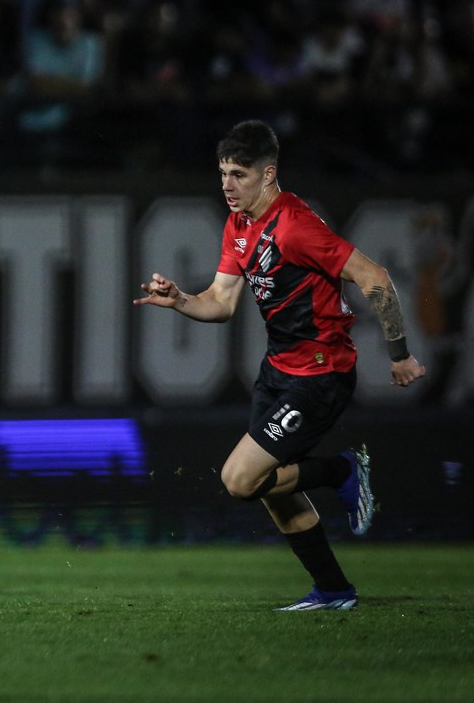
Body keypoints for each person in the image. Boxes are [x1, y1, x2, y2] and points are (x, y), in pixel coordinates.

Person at [134, 120, 426, 610]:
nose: (228, 184)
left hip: (320, 374)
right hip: (278, 373)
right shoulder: (240, 224)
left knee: (240, 479)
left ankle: (340, 470)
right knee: (275, 492)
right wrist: (180, 300)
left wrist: (399, 355)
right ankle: (333, 591)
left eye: (239, 174)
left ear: (268, 175)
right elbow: (222, 303)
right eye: (223, 173)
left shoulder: (294, 226)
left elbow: (375, 278)